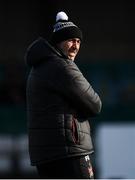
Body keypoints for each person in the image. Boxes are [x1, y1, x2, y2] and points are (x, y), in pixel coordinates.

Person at [25, 11, 102, 179]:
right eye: (70, 40)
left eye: (78, 41)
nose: (75, 46)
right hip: (70, 152)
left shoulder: (37, 67)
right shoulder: (63, 66)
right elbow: (95, 105)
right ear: (58, 42)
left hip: (44, 155)